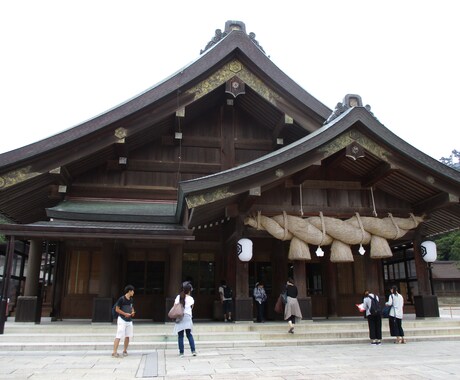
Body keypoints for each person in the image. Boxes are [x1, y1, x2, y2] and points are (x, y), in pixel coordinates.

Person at [173, 282, 197, 357]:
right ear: (189, 291)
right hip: (187, 317)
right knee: (189, 334)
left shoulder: (178, 297)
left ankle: (181, 352)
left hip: (180, 317)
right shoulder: (191, 298)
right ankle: (193, 351)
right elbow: (191, 307)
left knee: (180, 336)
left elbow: (175, 306)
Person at [112, 285, 135, 358]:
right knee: (119, 335)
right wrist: (125, 314)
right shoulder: (121, 299)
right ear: (129, 291)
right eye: (132, 291)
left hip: (129, 320)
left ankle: (125, 350)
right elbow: (117, 309)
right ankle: (114, 352)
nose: (133, 292)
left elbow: (132, 307)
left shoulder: (131, 299)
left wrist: (133, 312)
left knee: (128, 336)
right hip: (122, 319)